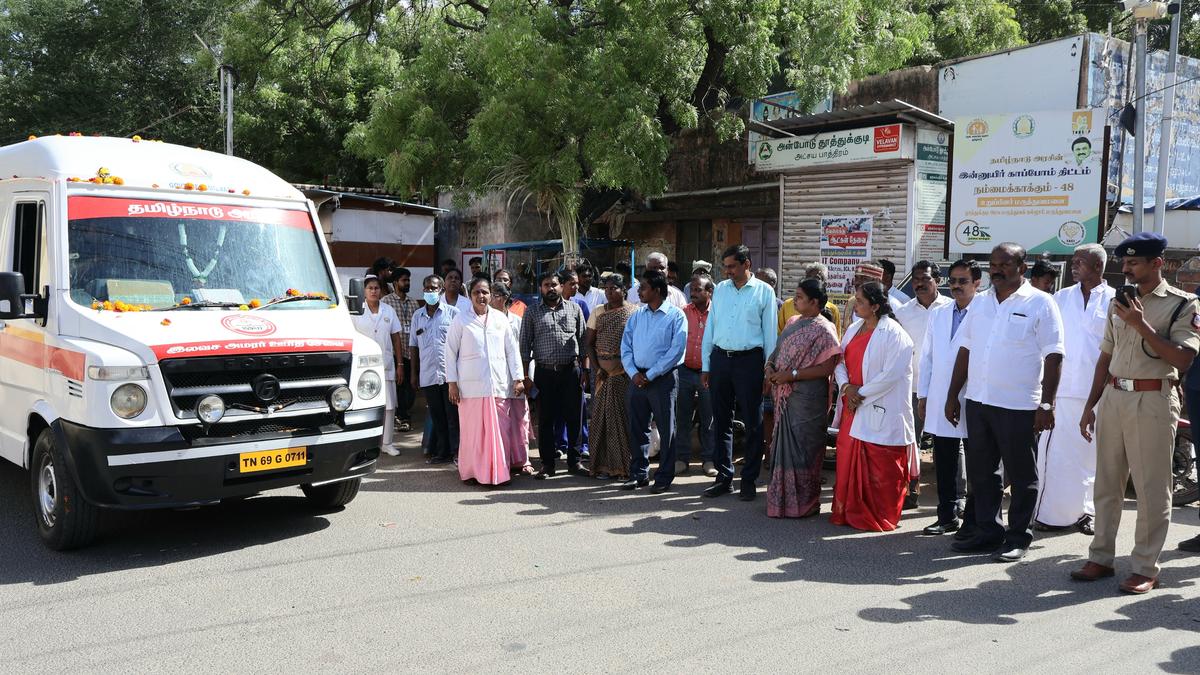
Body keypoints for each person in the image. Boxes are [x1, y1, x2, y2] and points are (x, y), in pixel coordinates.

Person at [1071, 232, 1200, 594]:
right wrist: (1090, 406)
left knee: (1151, 488)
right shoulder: (1120, 302)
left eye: (1134, 263)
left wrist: (1142, 325)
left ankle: (1145, 567)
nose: (1126, 269)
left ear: (1157, 263)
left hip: (1153, 399)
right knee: (1107, 483)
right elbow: (1105, 358)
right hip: (1114, 396)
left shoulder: (1182, 304)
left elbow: (1183, 359)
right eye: (1124, 263)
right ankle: (1101, 556)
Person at [945, 243, 1064, 563]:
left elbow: (1054, 356)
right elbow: (965, 350)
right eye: (993, 264)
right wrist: (952, 394)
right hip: (979, 401)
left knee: (1022, 475)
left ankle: (1018, 537)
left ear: (1022, 269)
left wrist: (1047, 404)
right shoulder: (981, 303)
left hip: (1019, 405)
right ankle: (988, 532)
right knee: (983, 473)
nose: (996, 269)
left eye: (1004, 264)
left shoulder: (1042, 303)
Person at [1034, 244, 1114, 535]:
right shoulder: (1059, 298)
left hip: (1100, 392)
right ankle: (1050, 514)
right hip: (1062, 391)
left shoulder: (1115, 300)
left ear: (1098, 266)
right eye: (1074, 260)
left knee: (1092, 457)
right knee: (1055, 455)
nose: (1075, 265)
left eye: (1082, 261)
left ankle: (1086, 512)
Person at [831, 282, 915, 531]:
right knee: (847, 459)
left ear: (876, 306)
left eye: (859, 301)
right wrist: (846, 388)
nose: (854, 305)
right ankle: (847, 512)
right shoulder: (854, 328)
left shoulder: (896, 335)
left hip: (879, 407)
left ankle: (879, 515)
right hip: (852, 406)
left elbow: (890, 376)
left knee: (881, 467)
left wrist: (860, 393)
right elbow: (839, 360)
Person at [701, 244, 778, 501]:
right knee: (721, 421)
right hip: (721, 360)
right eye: (725, 267)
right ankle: (724, 477)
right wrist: (706, 365)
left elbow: (770, 335)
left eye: (732, 266)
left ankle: (749, 479)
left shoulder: (764, 291)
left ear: (747, 264)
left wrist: (769, 370)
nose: (728, 272)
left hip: (750, 362)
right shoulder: (720, 290)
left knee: (753, 423)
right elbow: (710, 330)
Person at [766, 278, 841, 518]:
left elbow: (827, 368)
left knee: (804, 449)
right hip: (784, 397)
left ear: (815, 302)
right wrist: (769, 368)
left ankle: (806, 504)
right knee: (782, 447)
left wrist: (792, 375)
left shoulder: (824, 329)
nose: (794, 300)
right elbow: (777, 353)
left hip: (807, 400)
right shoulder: (792, 322)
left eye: (799, 296)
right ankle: (782, 501)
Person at [917, 259, 981, 536]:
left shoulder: (986, 311)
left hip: (975, 395)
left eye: (962, 281)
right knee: (943, 457)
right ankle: (946, 516)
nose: (956, 286)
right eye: (952, 281)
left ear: (977, 283)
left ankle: (974, 518)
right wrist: (924, 394)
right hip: (941, 394)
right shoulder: (939, 313)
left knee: (978, 459)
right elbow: (928, 356)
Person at [447, 277, 526, 485]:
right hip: (470, 388)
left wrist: (518, 378)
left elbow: (512, 351)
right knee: (473, 434)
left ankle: (499, 473)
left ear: (491, 295)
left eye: (484, 292)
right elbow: (449, 353)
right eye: (476, 293)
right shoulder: (460, 320)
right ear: (470, 295)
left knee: (500, 432)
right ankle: (472, 472)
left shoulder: (501, 320)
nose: (481, 296)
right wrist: (452, 383)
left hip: (498, 385)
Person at [620, 270, 687, 492]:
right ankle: (638, 473)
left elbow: (676, 351)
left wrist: (651, 375)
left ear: (657, 290)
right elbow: (626, 347)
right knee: (637, 428)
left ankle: (664, 477)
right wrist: (633, 373)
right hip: (637, 378)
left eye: (643, 287)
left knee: (667, 430)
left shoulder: (676, 316)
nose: (638, 291)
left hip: (662, 380)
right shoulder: (637, 315)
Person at [895, 261, 952, 509]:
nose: (919, 283)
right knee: (910, 442)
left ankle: (954, 498)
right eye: (915, 279)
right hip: (913, 387)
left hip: (945, 388)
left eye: (925, 279)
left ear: (937, 281)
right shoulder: (904, 312)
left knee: (949, 444)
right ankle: (910, 491)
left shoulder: (952, 308)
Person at [520, 272, 588, 479]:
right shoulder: (531, 313)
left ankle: (574, 462)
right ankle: (548, 465)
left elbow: (584, 341)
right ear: (540, 288)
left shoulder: (574, 309)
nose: (551, 288)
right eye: (546, 284)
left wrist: (585, 371)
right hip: (545, 373)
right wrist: (525, 377)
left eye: (555, 284)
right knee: (546, 420)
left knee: (574, 418)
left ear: (561, 287)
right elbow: (524, 347)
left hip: (571, 371)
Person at [585, 274, 637, 479]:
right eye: (605, 289)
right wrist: (598, 368)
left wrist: (627, 368)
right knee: (601, 420)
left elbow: (636, 343)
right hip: (602, 375)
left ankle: (624, 466)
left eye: (613, 288)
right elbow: (588, 343)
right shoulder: (598, 312)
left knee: (622, 421)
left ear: (623, 290)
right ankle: (602, 467)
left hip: (624, 374)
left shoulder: (634, 312)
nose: (608, 292)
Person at [352, 275, 405, 457]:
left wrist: (400, 364)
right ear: (364, 291)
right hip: (363, 367)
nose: (374, 291)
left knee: (389, 406)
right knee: (364, 404)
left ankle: (387, 443)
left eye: (376, 288)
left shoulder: (388, 310)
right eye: (370, 288)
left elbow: (396, 337)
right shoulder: (356, 310)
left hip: (386, 364)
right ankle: (365, 445)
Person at [411, 274, 461, 464]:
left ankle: (457, 452)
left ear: (441, 290)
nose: (430, 292)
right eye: (427, 288)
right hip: (428, 375)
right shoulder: (418, 316)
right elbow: (413, 346)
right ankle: (442, 452)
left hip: (450, 376)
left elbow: (461, 345)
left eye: (433, 288)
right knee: (437, 417)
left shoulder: (453, 313)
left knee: (452, 417)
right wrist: (413, 374)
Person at [489, 281, 535, 475]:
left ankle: (522, 460)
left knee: (520, 420)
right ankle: (503, 459)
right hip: (496, 378)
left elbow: (524, 351)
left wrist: (524, 377)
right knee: (500, 422)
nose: (491, 299)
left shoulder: (516, 321)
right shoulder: (487, 320)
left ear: (505, 298)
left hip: (516, 376)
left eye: (495, 295)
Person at [678, 275, 717, 477]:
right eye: (691, 289)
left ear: (709, 292)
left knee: (708, 419)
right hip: (685, 371)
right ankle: (681, 459)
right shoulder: (683, 312)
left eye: (698, 289)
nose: (693, 293)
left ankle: (709, 459)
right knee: (682, 417)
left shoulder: (718, 314)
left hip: (708, 374)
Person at [383, 266, 420, 433]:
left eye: (409, 280)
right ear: (396, 282)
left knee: (411, 387)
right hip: (395, 353)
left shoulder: (413, 303)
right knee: (399, 386)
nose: (407, 283)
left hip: (411, 351)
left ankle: (404, 413)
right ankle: (402, 417)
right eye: (404, 280)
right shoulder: (386, 302)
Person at [780, 262, 841, 337]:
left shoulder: (832, 309)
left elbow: (836, 339)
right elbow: (780, 334)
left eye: (817, 278)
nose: (812, 281)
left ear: (824, 284)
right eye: (809, 278)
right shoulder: (787, 305)